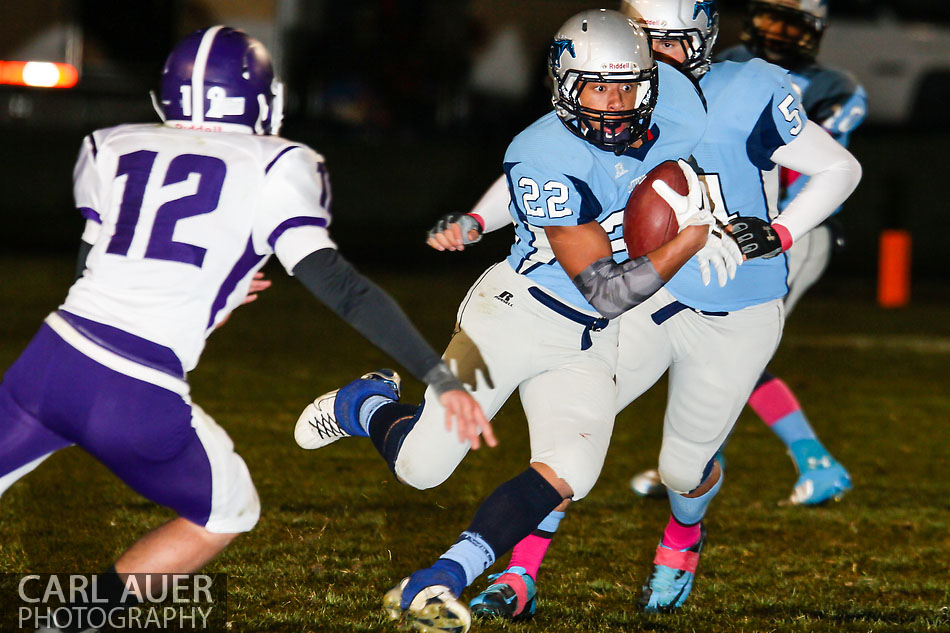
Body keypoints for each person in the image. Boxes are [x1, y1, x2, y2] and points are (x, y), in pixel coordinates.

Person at [0, 26, 487, 633]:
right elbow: (342, 286)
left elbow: (96, 275)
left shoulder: (112, 145)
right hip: (137, 389)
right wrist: (439, 376)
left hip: (49, 362)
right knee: (227, 512)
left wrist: (210, 297)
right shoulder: (280, 163)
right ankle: (74, 622)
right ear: (262, 99)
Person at [294, 10, 740, 632]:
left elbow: (680, 170)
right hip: (512, 317)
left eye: (628, 86)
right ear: (563, 84)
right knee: (424, 468)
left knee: (572, 471)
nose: (614, 104)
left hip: (589, 340)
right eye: (596, 87)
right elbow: (607, 290)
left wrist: (713, 207)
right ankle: (365, 405)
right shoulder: (545, 152)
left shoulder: (677, 109)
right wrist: (691, 237)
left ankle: (441, 578)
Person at [427, 0, 862, 618]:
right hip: (645, 293)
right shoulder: (612, 92)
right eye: (643, 43)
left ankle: (684, 536)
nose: (653, 60)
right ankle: (519, 573)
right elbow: (549, 165)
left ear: (704, 40)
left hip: (735, 304)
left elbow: (839, 169)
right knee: (570, 434)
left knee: (683, 469)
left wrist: (781, 231)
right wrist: (478, 218)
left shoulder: (749, 87)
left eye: (670, 43)